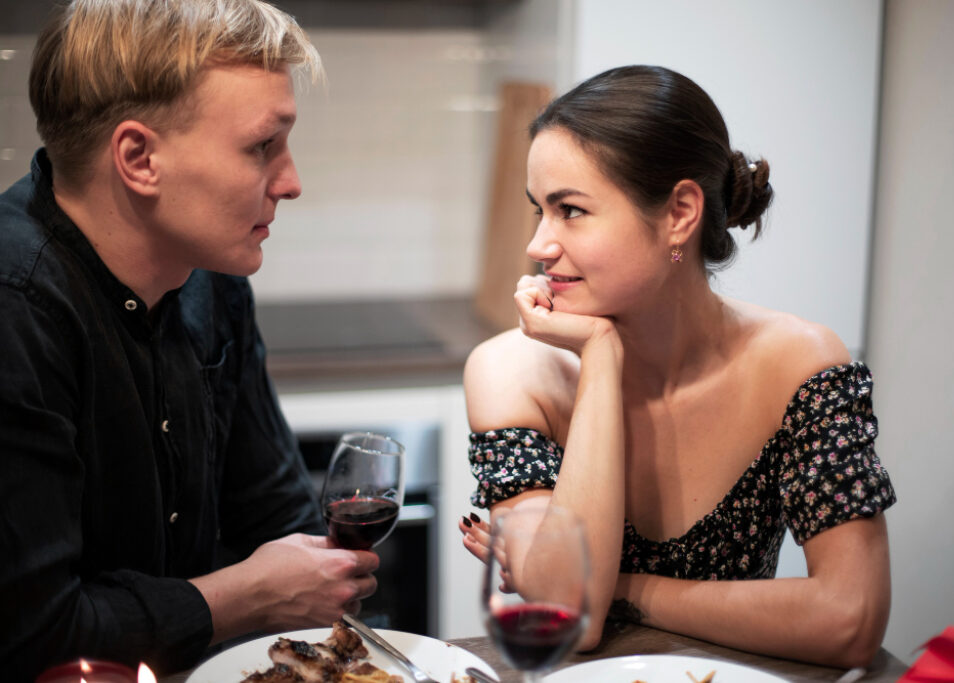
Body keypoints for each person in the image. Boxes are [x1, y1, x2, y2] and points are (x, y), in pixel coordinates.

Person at [458, 65, 896, 670]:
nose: (539, 243)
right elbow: (571, 617)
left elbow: (851, 619)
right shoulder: (509, 372)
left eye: (572, 211)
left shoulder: (800, 365)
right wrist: (601, 360)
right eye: (540, 210)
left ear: (680, 213)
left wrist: (624, 590)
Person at [0, 1, 379, 680]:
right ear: (139, 158)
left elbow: (276, 516)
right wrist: (247, 594)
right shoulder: (15, 309)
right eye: (263, 146)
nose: (290, 182)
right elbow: (36, 632)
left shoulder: (210, 276)